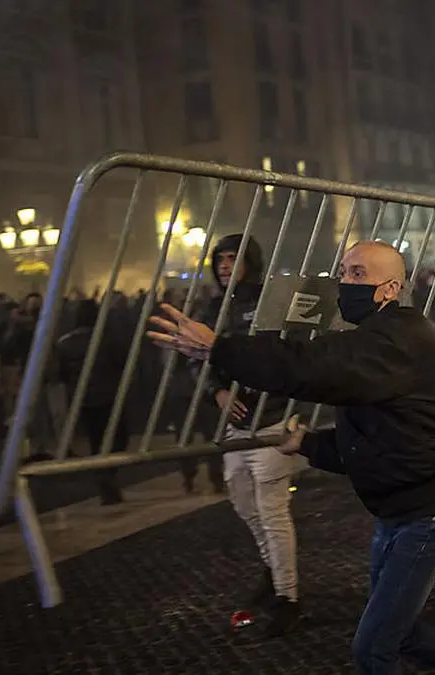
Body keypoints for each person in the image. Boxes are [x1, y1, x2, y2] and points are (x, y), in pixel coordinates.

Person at [147, 240, 435, 674]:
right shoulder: (380, 337)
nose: (345, 282)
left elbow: (310, 366)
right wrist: (310, 446)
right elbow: (373, 438)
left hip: (428, 516)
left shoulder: (396, 338)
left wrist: (219, 349)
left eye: (358, 273)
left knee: (372, 648)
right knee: (398, 628)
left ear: (390, 288)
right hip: (399, 511)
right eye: (342, 271)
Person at [195, 233, 305, 636]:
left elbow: (289, 355)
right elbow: (198, 358)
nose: (225, 266)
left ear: (251, 262)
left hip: (274, 418)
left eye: (233, 258)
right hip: (236, 424)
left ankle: (288, 598)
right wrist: (217, 391)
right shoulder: (212, 307)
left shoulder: (271, 302)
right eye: (220, 259)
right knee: (243, 502)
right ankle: (273, 569)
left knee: (273, 511)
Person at [55, 300, 128, 505]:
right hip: (109, 394)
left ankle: (102, 472)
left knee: (96, 439)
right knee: (117, 438)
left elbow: (61, 373)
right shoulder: (107, 339)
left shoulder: (65, 343)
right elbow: (121, 363)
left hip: (83, 398)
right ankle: (107, 473)